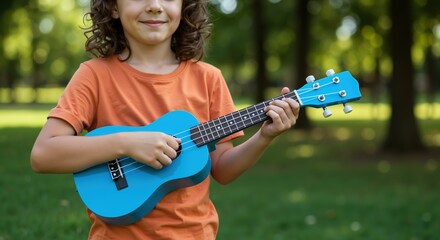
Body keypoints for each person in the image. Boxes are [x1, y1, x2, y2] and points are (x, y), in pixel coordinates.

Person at [30, 0, 300, 239]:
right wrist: (125, 143)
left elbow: (222, 169)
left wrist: (265, 136)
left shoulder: (208, 79)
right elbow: (43, 154)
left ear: (184, 8)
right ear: (113, 7)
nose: (155, 5)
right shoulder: (94, 75)